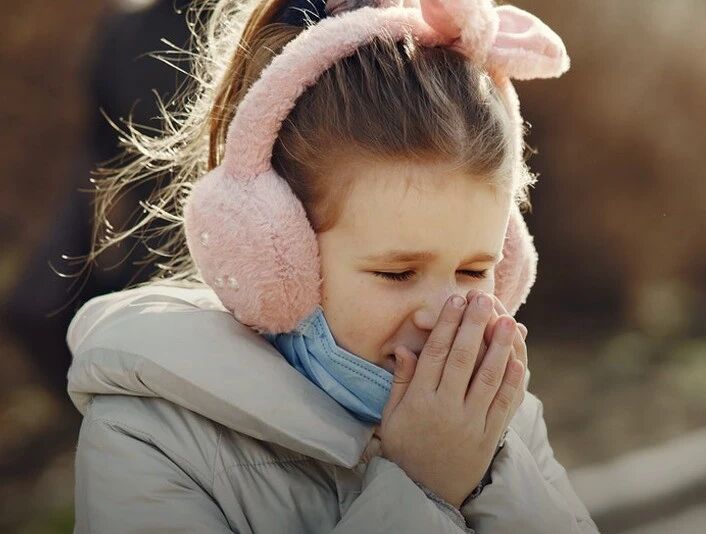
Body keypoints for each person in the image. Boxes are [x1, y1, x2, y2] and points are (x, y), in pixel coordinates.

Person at [65, 0, 597, 531]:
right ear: (278, 257)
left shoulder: (502, 416)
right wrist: (421, 488)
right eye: (398, 273)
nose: (443, 315)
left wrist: (491, 476)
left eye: (474, 271)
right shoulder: (149, 437)